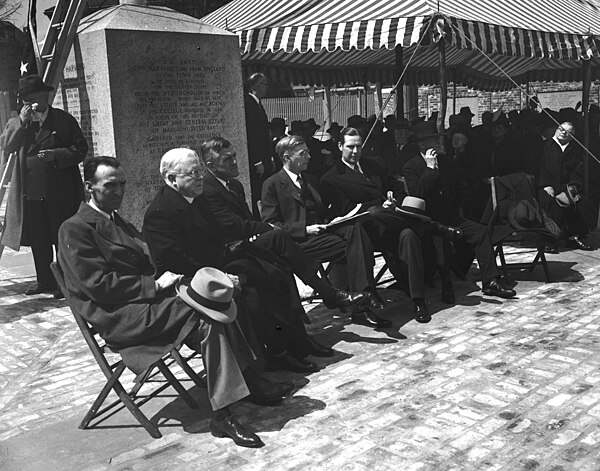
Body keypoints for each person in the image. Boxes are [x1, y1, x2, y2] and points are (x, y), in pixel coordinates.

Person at [58, 157, 281, 448]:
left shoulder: (115, 219)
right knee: (208, 313)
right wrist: (154, 284)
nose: (119, 191)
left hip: (145, 303)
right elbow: (99, 286)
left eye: (123, 184)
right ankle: (226, 410)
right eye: (110, 185)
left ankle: (240, 389)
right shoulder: (75, 228)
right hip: (119, 315)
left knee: (217, 297)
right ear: (90, 187)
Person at [143, 147, 364, 374]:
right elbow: (176, 263)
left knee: (276, 270)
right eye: (193, 173)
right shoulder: (161, 212)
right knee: (256, 284)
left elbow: (220, 230)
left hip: (217, 261)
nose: (200, 177)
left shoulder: (195, 197)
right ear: (171, 179)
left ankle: (295, 343)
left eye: (199, 171)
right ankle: (276, 354)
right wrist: (224, 273)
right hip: (195, 279)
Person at [260, 135, 389, 328]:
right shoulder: (272, 184)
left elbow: (322, 210)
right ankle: (363, 304)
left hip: (323, 234)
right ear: (287, 157)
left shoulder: (311, 180)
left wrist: (334, 219)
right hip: (298, 243)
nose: (309, 157)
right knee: (358, 244)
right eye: (303, 153)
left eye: (308, 152)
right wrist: (304, 229)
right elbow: (271, 224)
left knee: (356, 230)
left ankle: (363, 297)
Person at [321, 127, 435, 323]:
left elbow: (394, 187)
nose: (355, 152)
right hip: (365, 233)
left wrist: (393, 198)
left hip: (391, 223)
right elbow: (347, 212)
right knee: (378, 213)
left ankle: (418, 300)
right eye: (350, 147)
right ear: (340, 146)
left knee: (408, 235)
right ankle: (432, 227)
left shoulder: (375, 164)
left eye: (358, 146)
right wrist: (378, 206)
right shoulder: (331, 178)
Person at [402, 120, 517, 300]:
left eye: (437, 139)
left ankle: (491, 282)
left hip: (449, 216)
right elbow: (417, 192)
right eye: (433, 140)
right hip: (428, 221)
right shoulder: (412, 166)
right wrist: (430, 169)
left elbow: (456, 186)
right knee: (442, 240)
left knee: (480, 232)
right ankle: (446, 285)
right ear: (422, 144)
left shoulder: (445, 161)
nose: (437, 143)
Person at [0, 75, 88, 298]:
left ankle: (64, 283)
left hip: (60, 192)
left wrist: (56, 155)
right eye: (27, 100)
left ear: (46, 96)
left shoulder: (63, 120)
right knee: (39, 241)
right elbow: (8, 146)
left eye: (36, 98)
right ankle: (45, 282)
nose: (31, 104)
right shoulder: (18, 123)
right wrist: (21, 121)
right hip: (30, 193)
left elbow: (80, 149)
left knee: (61, 238)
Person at [537, 121, 596, 251]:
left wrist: (572, 188)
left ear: (572, 136)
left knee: (580, 204)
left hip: (566, 186)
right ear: (556, 130)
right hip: (547, 186)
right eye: (561, 129)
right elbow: (540, 168)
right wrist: (546, 185)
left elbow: (576, 172)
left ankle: (574, 237)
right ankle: (551, 240)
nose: (563, 132)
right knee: (550, 205)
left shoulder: (574, 150)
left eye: (567, 131)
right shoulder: (545, 147)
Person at [243, 73, 271, 217]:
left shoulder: (258, 105)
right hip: (257, 161)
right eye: (264, 84)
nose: (266, 88)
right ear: (256, 85)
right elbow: (252, 136)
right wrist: (257, 161)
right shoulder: (249, 104)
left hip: (264, 157)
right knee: (258, 190)